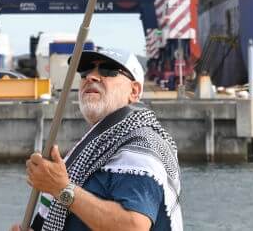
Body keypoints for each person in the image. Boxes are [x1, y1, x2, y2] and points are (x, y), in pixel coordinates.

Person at [11, 47, 182, 231]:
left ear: (134, 91)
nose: (91, 77)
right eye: (85, 71)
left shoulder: (142, 144)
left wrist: (61, 189)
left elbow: (132, 226)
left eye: (108, 70)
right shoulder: (99, 147)